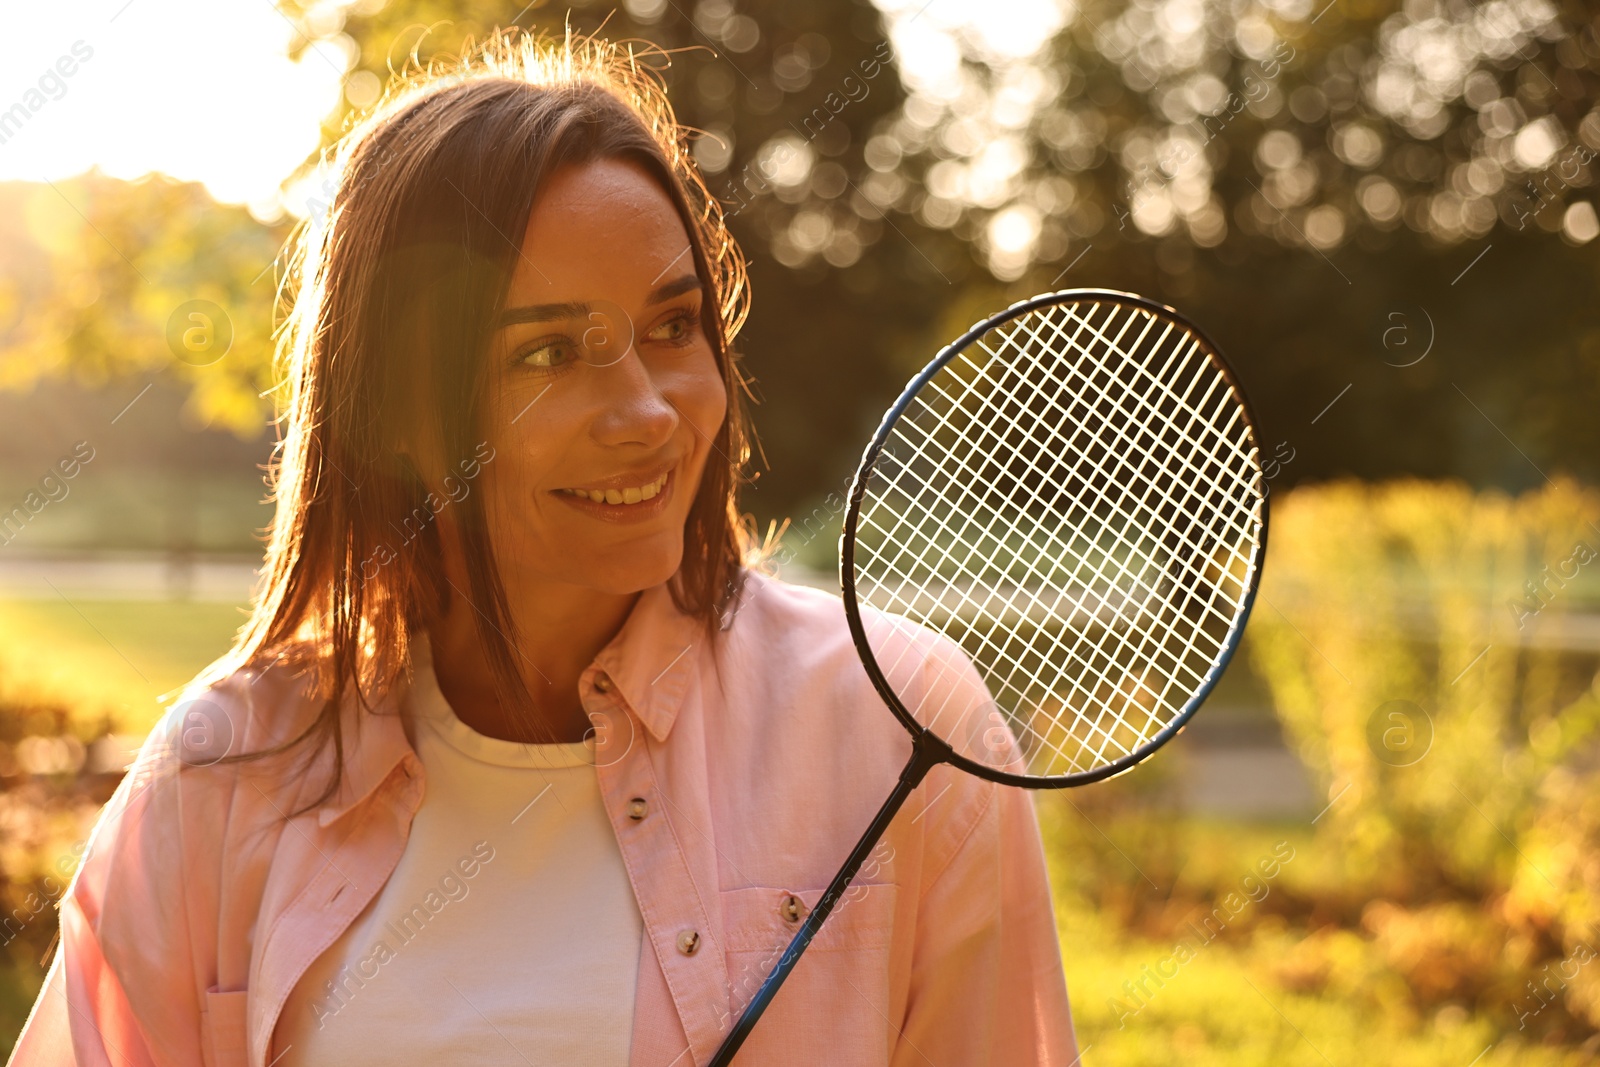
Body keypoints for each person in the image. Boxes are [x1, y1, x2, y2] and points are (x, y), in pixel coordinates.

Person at [8, 29, 1076, 1067]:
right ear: (396, 414)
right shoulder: (221, 775)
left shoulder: (898, 722)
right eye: (550, 351)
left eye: (672, 325)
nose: (649, 411)